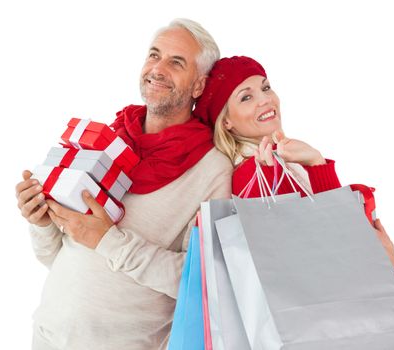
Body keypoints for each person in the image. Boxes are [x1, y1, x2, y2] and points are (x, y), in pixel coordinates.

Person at [15, 19, 232, 350]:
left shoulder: (212, 169)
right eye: (154, 55)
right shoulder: (112, 140)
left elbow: (197, 281)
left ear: (199, 86)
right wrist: (42, 223)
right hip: (48, 336)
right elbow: (59, 258)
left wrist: (108, 240)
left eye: (176, 62)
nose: (157, 69)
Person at [194, 55, 394, 269]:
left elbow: (339, 244)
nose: (265, 100)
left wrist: (314, 162)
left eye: (266, 88)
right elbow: (326, 259)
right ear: (225, 121)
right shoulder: (255, 175)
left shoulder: (285, 162)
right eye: (246, 98)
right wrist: (316, 164)